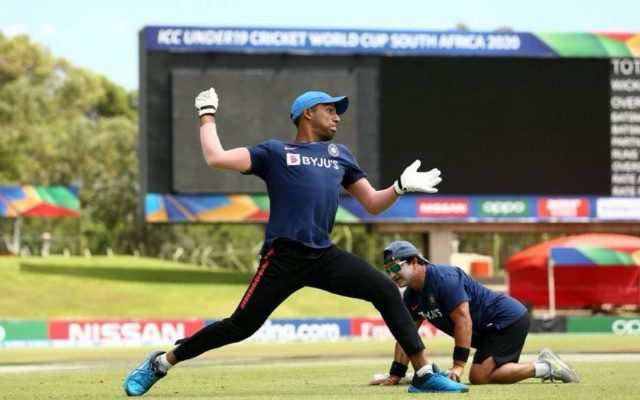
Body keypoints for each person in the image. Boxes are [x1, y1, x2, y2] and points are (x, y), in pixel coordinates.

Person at [123, 88, 469, 396]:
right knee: (239, 326)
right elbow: (216, 157)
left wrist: (399, 187)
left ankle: (422, 373)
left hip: (324, 254)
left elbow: (373, 204)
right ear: (307, 113)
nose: (336, 116)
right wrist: (206, 114)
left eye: (338, 111)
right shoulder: (274, 151)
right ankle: (160, 363)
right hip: (284, 256)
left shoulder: (340, 155)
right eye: (330, 109)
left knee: (383, 289)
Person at [369, 240, 580, 386]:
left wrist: (458, 366)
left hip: (507, 319)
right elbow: (407, 335)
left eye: (395, 268)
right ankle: (545, 365)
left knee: (479, 376)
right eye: (388, 271)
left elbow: (463, 320)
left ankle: (546, 367)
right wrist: (396, 375)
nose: (392, 275)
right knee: (483, 375)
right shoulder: (410, 296)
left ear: (414, 262)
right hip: (489, 330)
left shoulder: (444, 278)